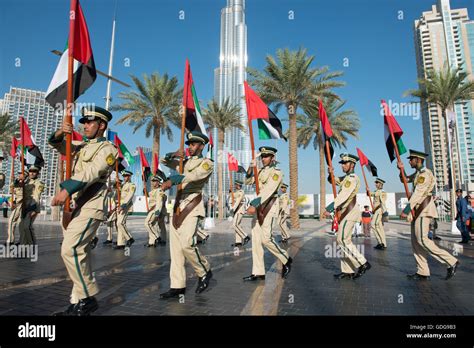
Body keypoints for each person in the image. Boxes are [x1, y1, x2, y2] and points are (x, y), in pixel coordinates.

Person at [50, 106, 118, 315]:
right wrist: (61, 133)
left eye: (90, 122)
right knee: (81, 254)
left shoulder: (108, 149)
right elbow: (57, 144)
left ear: (102, 125)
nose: (85, 126)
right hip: (76, 206)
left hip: (91, 205)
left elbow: (92, 172)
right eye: (84, 122)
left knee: (70, 249)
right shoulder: (79, 146)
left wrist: (67, 188)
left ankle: (88, 297)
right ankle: (77, 302)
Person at [159, 131, 214, 299]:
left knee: (186, 244)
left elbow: (194, 175)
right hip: (177, 205)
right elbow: (163, 160)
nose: (190, 147)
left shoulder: (206, 163)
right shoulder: (183, 162)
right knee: (175, 250)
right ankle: (177, 286)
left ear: (202, 146)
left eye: (194, 144)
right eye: (189, 144)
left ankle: (204, 270)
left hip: (192, 204)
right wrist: (174, 154)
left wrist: (174, 180)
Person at [398, 149, 459, 280]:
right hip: (417, 210)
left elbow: (419, 193)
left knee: (422, 240)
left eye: (411, 159)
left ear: (418, 160)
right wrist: (401, 170)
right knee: (416, 243)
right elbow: (404, 180)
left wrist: (407, 209)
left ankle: (451, 261)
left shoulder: (425, 174)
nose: (409, 161)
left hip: (423, 210)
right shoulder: (417, 174)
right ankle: (422, 271)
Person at [243, 147, 292, 282]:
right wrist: (250, 167)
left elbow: (269, 190)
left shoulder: (277, 172)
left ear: (272, 158)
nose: (263, 158)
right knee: (256, 241)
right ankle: (258, 272)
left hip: (269, 206)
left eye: (266, 156)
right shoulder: (259, 171)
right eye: (262, 156)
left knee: (266, 239)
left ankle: (286, 259)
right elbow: (247, 181)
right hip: (259, 207)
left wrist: (254, 203)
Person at [324, 153, 371, 280]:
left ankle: (363, 263)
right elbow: (333, 181)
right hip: (344, 212)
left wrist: (330, 207)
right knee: (343, 242)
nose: (343, 166)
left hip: (349, 212)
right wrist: (330, 173)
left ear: (352, 165)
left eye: (345, 163)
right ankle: (347, 271)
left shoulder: (352, 178)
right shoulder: (346, 178)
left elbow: (344, 195)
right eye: (342, 163)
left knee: (343, 240)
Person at [18, 165, 44, 245]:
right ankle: (22, 246)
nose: (32, 173)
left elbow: (37, 196)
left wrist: (33, 209)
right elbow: (14, 187)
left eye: (34, 171)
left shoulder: (39, 183)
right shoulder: (25, 181)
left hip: (32, 206)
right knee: (21, 227)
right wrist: (19, 180)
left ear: (37, 173)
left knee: (27, 226)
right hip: (23, 206)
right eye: (30, 171)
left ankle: (32, 245)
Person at [114, 170, 135, 250]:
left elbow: (130, 195)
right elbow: (119, 192)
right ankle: (121, 243)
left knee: (120, 223)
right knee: (119, 224)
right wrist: (117, 184)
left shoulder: (132, 185)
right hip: (120, 206)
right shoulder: (123, 185)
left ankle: (130, 238)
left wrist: (123, 205)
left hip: (125, 206)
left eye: (126, 176)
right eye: (124, 176)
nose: (125, 177)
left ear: (129, 176)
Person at [144, 175, 166, 247]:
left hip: (156, 210)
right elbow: (150, 196)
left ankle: (158, 238)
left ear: (158, 182)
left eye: (154, 181)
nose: (153, 183)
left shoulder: (159, 191)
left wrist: (157, 213)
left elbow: (159, 202)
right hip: (154, 209)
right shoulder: (154, 191)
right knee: (153, 225)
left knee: (148, 223)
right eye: (152, 181)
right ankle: (152, 242)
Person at [6, 172, 23, 245]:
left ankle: (20, 241)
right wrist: (14, 181)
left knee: (21, 224)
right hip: (17, 203)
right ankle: (11, 240)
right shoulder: (17, 183)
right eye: (19, 174)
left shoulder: (26, 184)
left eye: (21, 174)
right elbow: (11, 190)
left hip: (22, 204)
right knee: (12, 222)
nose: (19, 175)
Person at [230, 180, 250, 247]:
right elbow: (233, 197)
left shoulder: (241, 192)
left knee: (235, 225)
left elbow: (238, 201)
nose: (235, 186)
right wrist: (230, 192)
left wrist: (233, 209)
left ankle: (245, 236)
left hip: (239, 210)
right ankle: (238, 242)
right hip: (237, 210)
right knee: (237, 225)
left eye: (236, 185)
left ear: (239, 185)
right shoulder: (237, 192)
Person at [371, 178, 388, 250]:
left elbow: (381, 203)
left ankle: (381, 243)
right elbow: (371, 194)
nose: (375, 184)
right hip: (376, 211)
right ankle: (382, 243)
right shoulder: (376, 191)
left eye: (377, 183)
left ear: (381, 184)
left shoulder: (382, 192)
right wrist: (367, 191)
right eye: (375, 183)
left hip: (378, 210)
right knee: (380, 228)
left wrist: (374, 209)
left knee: (373, 224)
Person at [103, 181, 120, 246]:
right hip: (110, 208)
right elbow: (108, 196)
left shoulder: (118, 191)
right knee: (109, 223)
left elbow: (117, 201)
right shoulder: (112, 191)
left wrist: (112, 210)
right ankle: (110, 238)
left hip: (115, 209)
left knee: (116, 224)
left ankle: (119, 239)